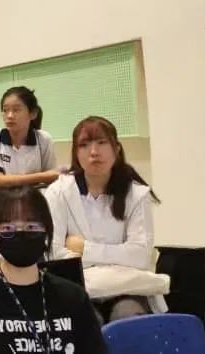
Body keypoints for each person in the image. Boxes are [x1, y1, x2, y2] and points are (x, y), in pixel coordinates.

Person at [0, 186, 107, 354]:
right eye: (8, 228)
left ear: (46, 231)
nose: (20, 234)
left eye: (31, 227)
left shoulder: (74, 298)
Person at [44, 116, 160, 323]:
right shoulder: (58, 191)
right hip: (78, 288)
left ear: (117, 148)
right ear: (75, 153)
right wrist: (118, 256)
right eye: (84, 145)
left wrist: (84, 249)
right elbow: (55, 255)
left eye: (101, 142)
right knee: (88, 321)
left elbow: (140, 255)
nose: (94, 152)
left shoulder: (137, 194)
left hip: (127, 288)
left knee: (128, 317)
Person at [0, 87, 60, 189]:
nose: (9, 116)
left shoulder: (44, 139)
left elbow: (52, 178)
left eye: (16, 110)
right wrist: (42, 177)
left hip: (34, 196)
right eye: (5, 110)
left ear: (33, 114)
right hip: (2, 198)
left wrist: (47, 177)